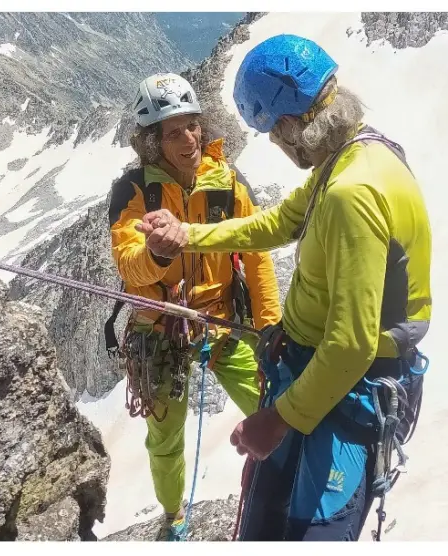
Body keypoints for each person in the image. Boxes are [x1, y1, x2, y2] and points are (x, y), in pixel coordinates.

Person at [135, 34, 432, 541]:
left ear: (295, 126)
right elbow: (276, 224)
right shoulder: (360, 153)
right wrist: (187, 235)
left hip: (344, 392)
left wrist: (277, 420)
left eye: (274, 131)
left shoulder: (350, 193)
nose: (274, 142)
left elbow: (352, 344)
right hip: (324, 379)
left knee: (304, 529)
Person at [108, 72, 282, 541]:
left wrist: (271, 329)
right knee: (165, 439)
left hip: (222, 322)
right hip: (160, 329)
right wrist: (157, 253)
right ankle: (172, 516)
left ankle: (287, 487)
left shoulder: (228, 183)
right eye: (172, 132)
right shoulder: (133, 192)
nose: (188, 139)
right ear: (152, 142)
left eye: (192, 125)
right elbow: (130, 268)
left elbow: (257, 254)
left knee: (276, 405)